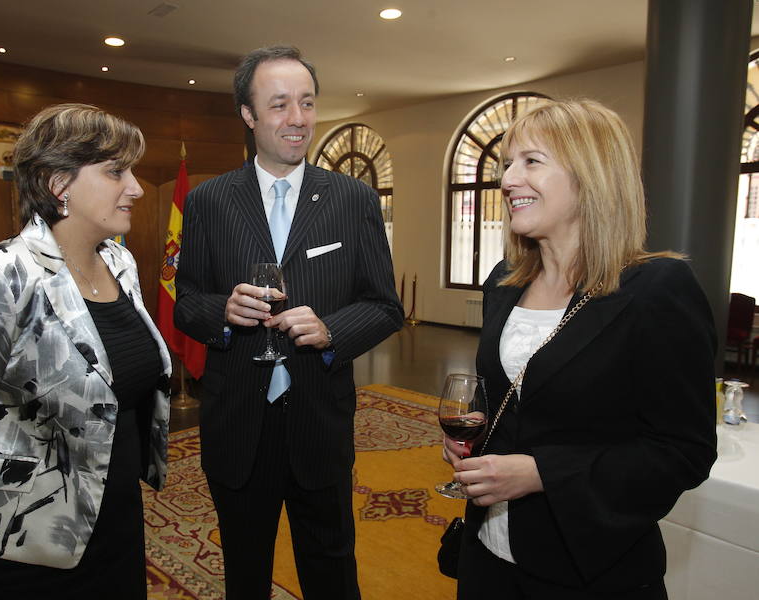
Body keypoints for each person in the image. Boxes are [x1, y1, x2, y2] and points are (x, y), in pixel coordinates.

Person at [443, 98, 717, 599]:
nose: (506, 180)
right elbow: (511, 399)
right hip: (486, 556)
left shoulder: (656, 289)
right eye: (507, 163)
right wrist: (476, 438)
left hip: (588, 570)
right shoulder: (503, 284)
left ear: (590, 176)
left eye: (531, 161)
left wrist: (542, 473)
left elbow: (684, 452)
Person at [0, 103, 172, 600]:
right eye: (117, 171)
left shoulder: (120, 261)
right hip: (18, 546)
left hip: (113, 523)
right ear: (58, 182)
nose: (135, 187)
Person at [174, 46, 403, 599]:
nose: (297, 119)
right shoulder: (208, 201)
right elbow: (185, 301)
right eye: (279, 105)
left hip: (318, 422)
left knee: (330, 568)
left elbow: (384, 305)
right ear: (248, 116)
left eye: (306, 103)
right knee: (245, 573)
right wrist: (222, 311)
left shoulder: (353, 200)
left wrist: (331, 332)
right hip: (237, 424)